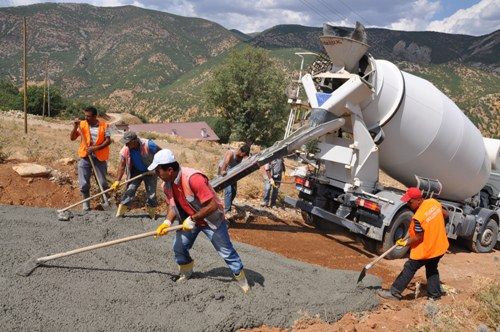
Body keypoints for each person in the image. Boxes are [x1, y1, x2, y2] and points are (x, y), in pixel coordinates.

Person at [150, 149, 250, 293]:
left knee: (226, 252)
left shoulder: (193, 178)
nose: (156, 175)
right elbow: (172, 206)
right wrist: (167, 222)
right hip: (189, 221)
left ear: (170, 170)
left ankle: (242, 279)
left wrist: (193, 218)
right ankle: (186, 271)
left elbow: (213, 205)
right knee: (179, 247)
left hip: (211, 220)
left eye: (158, 171)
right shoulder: (166, 185)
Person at [377, 187, 449, 300]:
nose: (408, 204)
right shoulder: (433, 203)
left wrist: (405, 242)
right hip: (439, 245)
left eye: (410, 202)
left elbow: (419, 236)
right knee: (432, 268)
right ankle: (434, 295)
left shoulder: (418, 217)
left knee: (410, 267)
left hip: (428, 248)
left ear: (419, 200)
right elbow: (445, 214)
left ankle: (394, 292)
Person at [70, 106, 111, 211]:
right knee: (83, 183)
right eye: (85, 115)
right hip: (85, 156)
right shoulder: (82, 124)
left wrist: (95, 148)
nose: (85, 117)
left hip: (100, 158)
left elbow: (108, 141)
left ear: (95, 116)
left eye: (88, 116)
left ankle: (105, 201)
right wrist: (75, 127)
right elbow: (72, 138)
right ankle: (86, 203)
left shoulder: (104, 125)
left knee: (102, 183)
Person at [112, 131, 161, 218]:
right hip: (136, 171)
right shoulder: (126, 149)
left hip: (151, 172)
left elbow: (162, 155)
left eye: (128, 143)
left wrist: (157, 169)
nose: (126, 145)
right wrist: (117, 180)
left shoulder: (149, 145)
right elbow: (122, 165)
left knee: (151, 194)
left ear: (134, 141)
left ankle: (152, 214)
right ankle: (120, 213)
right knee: (130, 189)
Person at [218, 144, 250, 217]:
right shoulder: (231, 153)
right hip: (225, 172)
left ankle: (228, 203)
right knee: (228, 191)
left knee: (234, 191)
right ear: (241, 151)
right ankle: (227, 211)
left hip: (232, 173)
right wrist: (222, 171)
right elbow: (225, 163)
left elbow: (248, 158)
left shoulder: (241, 156)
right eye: (243, 155)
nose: (243, 157)